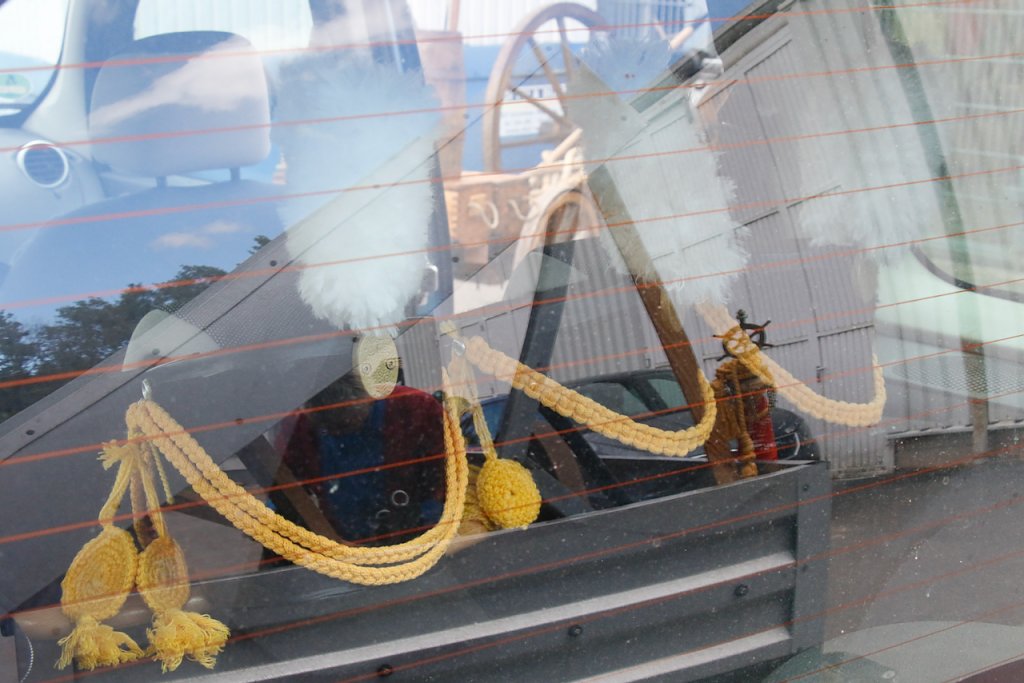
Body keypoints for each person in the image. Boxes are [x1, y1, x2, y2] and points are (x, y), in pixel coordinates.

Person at [275, 373, 446, 545]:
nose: (340, 432)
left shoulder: (414, 408)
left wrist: (427, 517)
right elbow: (283, 485)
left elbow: (448, 474)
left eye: (348, 424)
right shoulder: (298, 429)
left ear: (368, 398)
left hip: (420, 539)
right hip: (344, 546)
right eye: (331, 430)